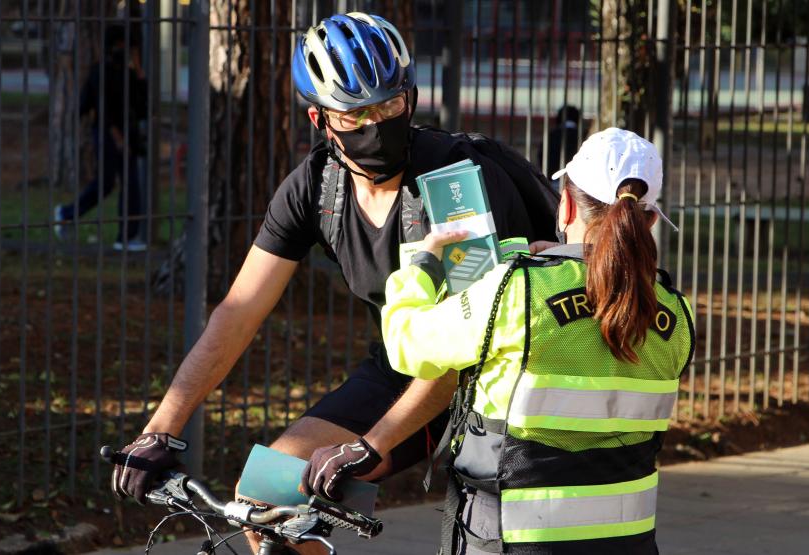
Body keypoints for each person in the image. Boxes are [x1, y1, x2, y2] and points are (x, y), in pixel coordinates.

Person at [108, 12, 554, 554]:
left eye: (391, 105)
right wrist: (162, 427)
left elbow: (467, 345)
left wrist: (373, 445)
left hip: (490, 376)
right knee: (267, 495)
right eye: (357, 113)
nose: (378, 124)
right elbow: (239, 311)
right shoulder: (316, 188)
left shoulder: (452, 186)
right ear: (320, 119)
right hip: (403, 368)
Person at [365, 128, 695, 554]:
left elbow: (406, 342)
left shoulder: (518, 293)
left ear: (568, 204)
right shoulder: (677, 316)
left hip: (512, 542)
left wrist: (424, 265)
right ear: (649, 220)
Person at [54, 24, 148, 251]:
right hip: (107, 134)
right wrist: (116, 136)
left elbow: (143, 107)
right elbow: (97, 106)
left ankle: (126, 237)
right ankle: (67, 213)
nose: (122, 51)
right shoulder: (101, 71)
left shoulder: (130, 74)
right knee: (106, 183)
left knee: (131, 183)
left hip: (129, 134)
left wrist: (138, 71)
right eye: (119, 46)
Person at [538, 104, 581, 189]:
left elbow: (541, 156)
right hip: (577, 186)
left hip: (552, 183)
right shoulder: (582, 135)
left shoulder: (550, 136)